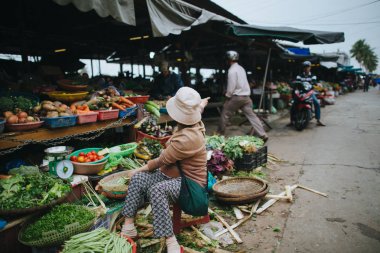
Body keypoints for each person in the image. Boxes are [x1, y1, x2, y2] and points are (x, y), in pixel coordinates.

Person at [121, 87, 209, 253]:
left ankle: (171, 242)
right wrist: (202, 103)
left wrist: (139, 169)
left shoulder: (189, 138)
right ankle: (128, 225)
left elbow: (162, 160)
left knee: (156, 190)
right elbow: (199, 107)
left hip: (187, 184)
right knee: (138, 179)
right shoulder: (191, 121)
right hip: (168, 176)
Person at [218, 51, 268, 141]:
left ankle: (219, 135)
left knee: (225, 114)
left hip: (237, 97)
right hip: (246, 98)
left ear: (228, 59)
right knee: (252, 116)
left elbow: (231, 87)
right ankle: (263, 134)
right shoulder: (241, 68)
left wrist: (227, 96)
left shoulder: (231, 71)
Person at [289, 61, 325, 126]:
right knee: (293, 104)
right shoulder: (299, 76)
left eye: (307, 67)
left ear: (310, 68)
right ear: (303, 68)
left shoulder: (313, 76)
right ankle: (292, 121)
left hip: (310, 92)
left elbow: (314, 82)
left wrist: (318, 84)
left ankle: (318, 120)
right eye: (305, 67)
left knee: (316, 103)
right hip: (301, 92)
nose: (306, 68)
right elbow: (296, 82)